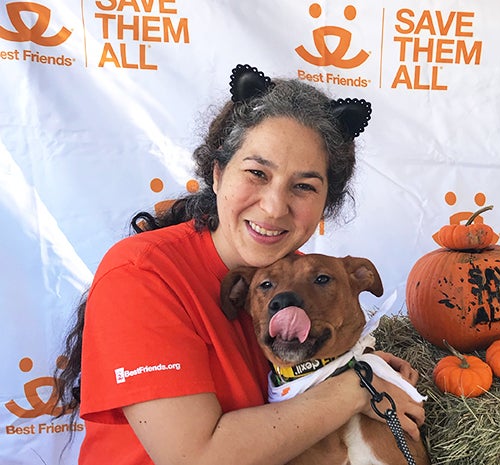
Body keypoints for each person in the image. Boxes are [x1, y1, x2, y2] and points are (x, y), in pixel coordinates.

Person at [55, 64, 425, 465]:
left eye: (303, 186)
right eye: (256, 173)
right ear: (217, 174)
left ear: (325, 203)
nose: (273, 206)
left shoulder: (301, 277)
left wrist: (362, 362)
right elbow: (195, 459)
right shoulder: (141, 274)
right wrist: (356, 386)